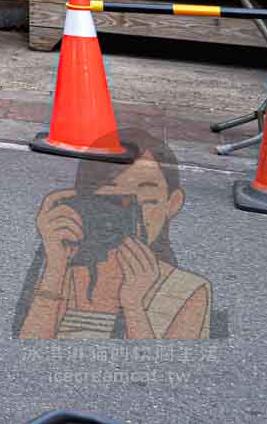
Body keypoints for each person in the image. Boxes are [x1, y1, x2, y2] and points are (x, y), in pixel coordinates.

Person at [14, 133, 213, 340]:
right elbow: (30, 350)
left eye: (147, 201)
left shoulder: (187, 290)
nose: (132, 216)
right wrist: (55, 265)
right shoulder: (64, 272)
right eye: (116, 202)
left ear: (172, 203)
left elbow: (158, 369)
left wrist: (133, 305)